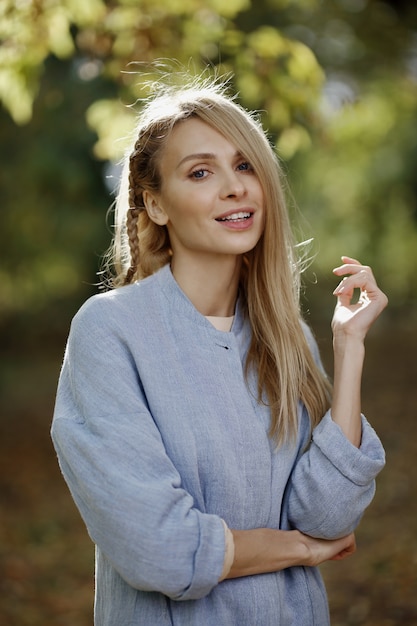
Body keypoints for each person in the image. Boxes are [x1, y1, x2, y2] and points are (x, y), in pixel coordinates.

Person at [51, 73, 388, 626]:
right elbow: (159, 550)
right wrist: (299, 552)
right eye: (201, 171)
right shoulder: (110, 332)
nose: (235, 187)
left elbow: (327, 516)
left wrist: (348, 347)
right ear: (155, 204)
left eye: (245, 164)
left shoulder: (287, 337)